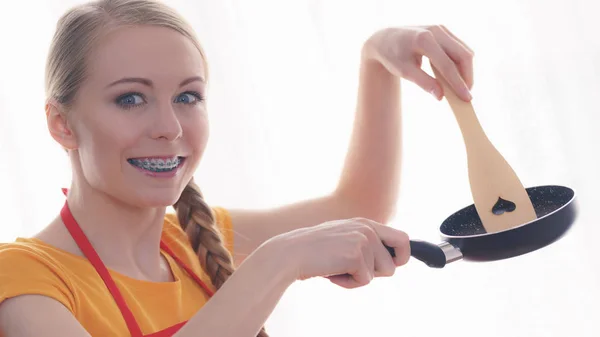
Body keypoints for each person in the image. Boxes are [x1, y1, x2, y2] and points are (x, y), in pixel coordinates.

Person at [0, 0, 474, 336]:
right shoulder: (22, 278)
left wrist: (376, 60)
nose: (169, 127)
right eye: (131, 99)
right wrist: (278, 261)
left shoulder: (191, 242)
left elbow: (359, 206)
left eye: (187, 96)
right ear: (62, 124)